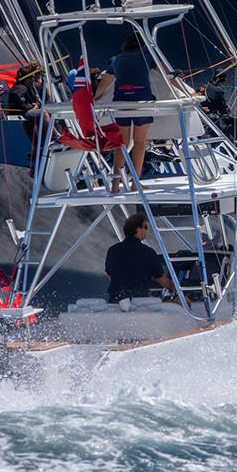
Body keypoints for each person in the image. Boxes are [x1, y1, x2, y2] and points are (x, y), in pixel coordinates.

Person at [95, 33, 155, 193]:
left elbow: (104, 84)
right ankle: (135, 184)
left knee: (122, 143)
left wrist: (93, 99)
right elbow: (169, 76)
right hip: (141, 99)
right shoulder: (148, 56)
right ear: (143, 45)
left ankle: (115, 185)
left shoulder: (117, 59)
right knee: (140, 142)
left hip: (121, 100)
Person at [105, 213, 174, 303]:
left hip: (115, 303)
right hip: (138, 304)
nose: (146, 230)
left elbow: (109, 275)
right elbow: (161, 279)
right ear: (138, 230)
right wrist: (174, 287)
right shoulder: (148, 252)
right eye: (145, 227)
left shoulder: (112, 250)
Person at [8, 61, 46, 141]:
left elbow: (37, 100)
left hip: (30, 110)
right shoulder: (19, 88)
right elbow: (23, 105)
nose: (33, 79)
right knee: (44, 113)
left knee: (48, 111)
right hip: (23, 113)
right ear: (26, 78)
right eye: (30, 78)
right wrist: (33, 106)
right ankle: (55, 136)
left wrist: (38, 104)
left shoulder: (30, 87)